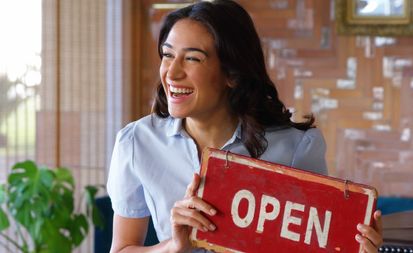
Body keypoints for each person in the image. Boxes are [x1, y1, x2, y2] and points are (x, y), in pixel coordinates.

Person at [107, 0, 383, 252]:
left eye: (192, 58)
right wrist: (172, 246)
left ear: (232, 74)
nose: (172, 72)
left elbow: (317, 245)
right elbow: (122, 249)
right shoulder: (136, 142)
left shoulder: (296, 146)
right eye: (168, 55)